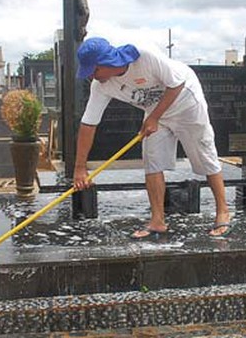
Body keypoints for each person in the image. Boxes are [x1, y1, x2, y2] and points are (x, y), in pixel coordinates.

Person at [73, 37, 231, 239]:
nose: (92, 77)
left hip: (186, 102)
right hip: (155, 112)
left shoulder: (145, 55)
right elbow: (89, 123)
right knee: (152, 161)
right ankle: (157, 220)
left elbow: (177, 84)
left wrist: (154, 117)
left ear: (108, 62)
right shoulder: (101, 85)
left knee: (205, 155)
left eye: (94, 71)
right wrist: (80, 167)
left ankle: (223, 211)